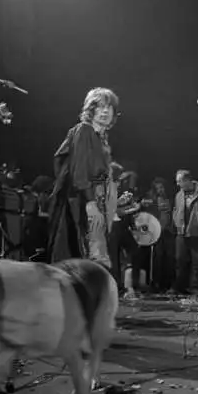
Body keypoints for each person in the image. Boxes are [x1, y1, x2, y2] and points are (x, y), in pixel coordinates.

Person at [47, 87, 119, 268]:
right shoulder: (84, 130)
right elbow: (79, 169)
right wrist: (90, 201)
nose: (104, 111)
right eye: (100, 106)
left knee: (92, 252)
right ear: (91, 109)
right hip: (81, 199)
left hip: (94, 198)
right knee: (81, 251)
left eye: (109, 108)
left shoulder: (100, 137)